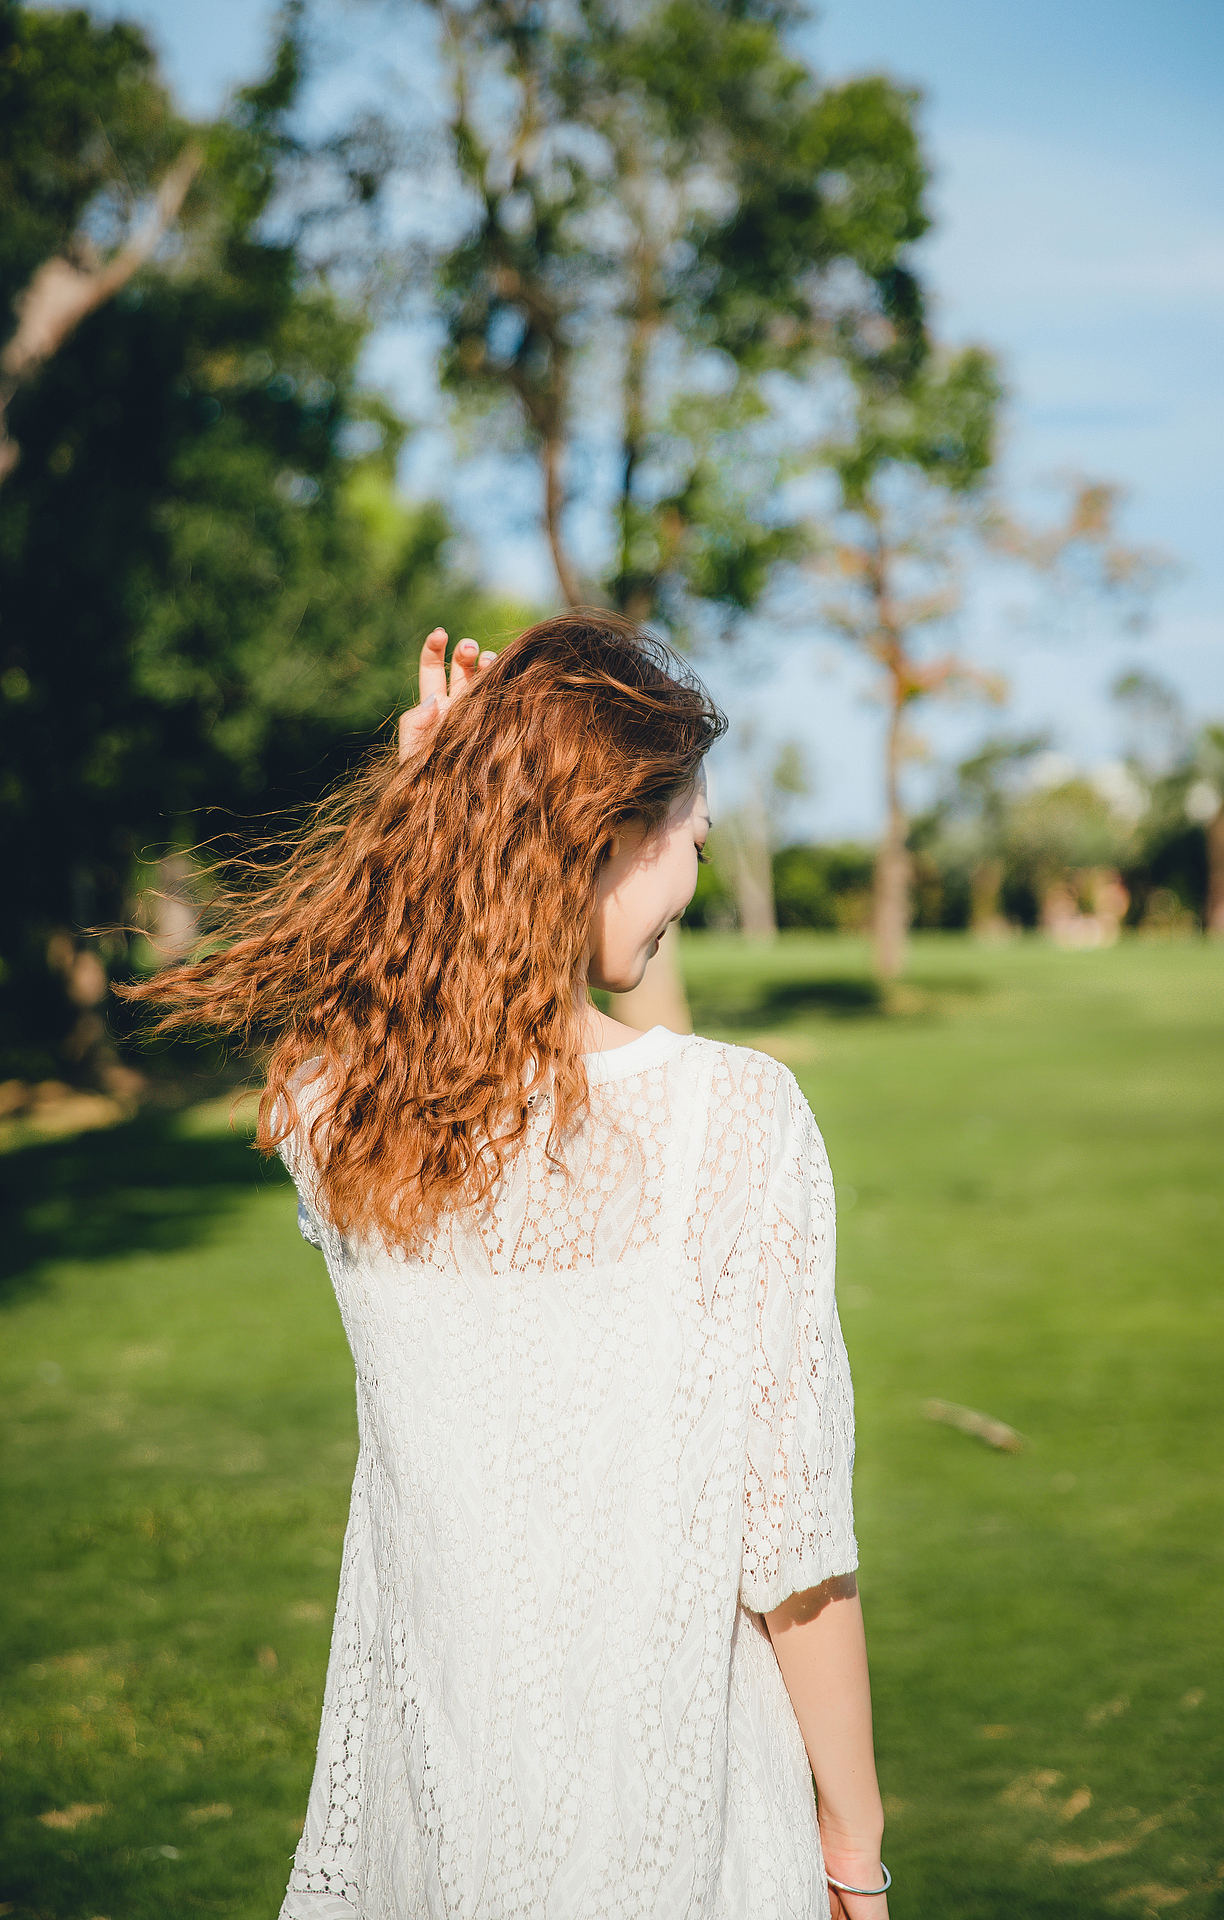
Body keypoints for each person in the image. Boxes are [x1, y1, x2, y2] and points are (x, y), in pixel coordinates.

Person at [127, 612, 891, 1920]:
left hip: (437, 1839)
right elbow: (796, 1549)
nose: (692, 882)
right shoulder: (738, 1121)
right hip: (688, 1836)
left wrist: (434, 808)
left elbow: (352, 1021)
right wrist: (854, 1848)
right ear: (608, 835)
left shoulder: (340, 1122)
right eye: (694, 843)